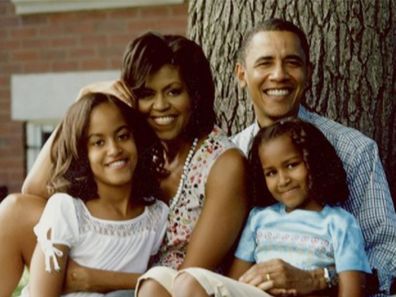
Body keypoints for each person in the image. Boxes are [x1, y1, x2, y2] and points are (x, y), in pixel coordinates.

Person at [0, 32, 249, 296]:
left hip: (158, 289)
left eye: (173, 92)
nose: (160, 105)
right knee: (14, 210)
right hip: (109, 254)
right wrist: (83, 99)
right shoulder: (138, 146)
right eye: (146, 94)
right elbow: (36, 190)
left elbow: (186, 280)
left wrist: (92, 279)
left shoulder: (224, 164)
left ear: (195, 95)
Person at [231, 18, 396, 295]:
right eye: (265, 63)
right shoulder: (229, 156)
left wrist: (321, 279)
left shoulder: (353, 148)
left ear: (308, 72)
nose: (279, 74)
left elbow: (388, 249)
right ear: (241, 74)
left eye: (292, 62)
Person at [170, 117, 372, 297]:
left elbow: (352, 290)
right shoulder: (259, 219)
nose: (283, 180)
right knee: (170, 278)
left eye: (292, 165)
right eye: (271, 173)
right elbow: (236, 282)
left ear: (315, 161)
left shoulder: (340, 223)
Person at [19, 92, 169, 296]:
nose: (114, 149)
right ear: (82, 154)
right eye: (98, 142)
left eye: (123, 136)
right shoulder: (66, 209)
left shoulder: (156, 216)